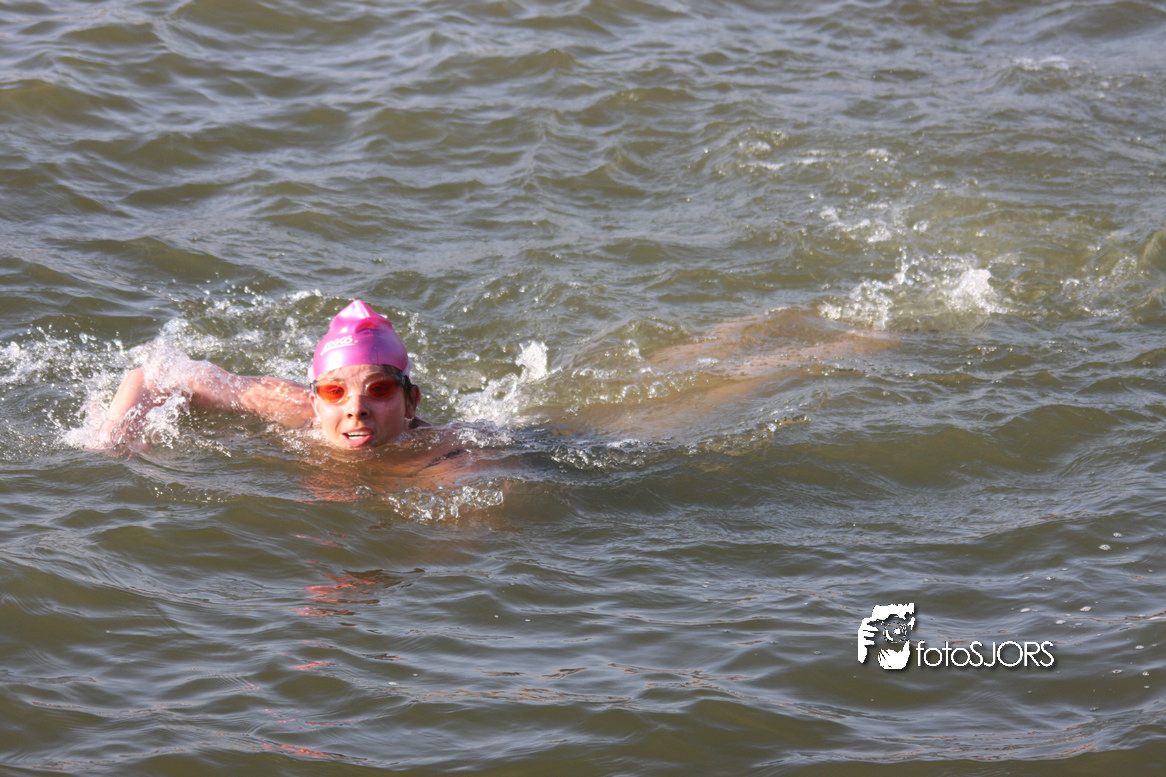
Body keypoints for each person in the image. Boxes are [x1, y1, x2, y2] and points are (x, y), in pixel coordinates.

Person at [97, 300, 471, 475]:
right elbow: (154, 373)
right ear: (315, 402)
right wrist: (116, 440)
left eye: (379, 390)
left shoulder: (445, 457)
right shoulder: (289, 407)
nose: (356, 408)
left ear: (411, 402)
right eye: (335, 392)